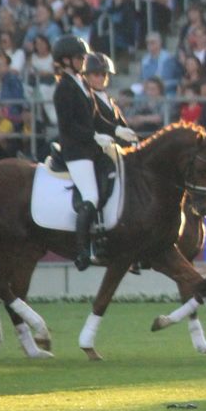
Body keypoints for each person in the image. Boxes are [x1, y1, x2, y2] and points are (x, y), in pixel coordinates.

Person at [53, 37, 137, 270]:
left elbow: (96, 118)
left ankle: (107, 238)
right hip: (76, 152)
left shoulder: (82, 84)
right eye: (79, 57)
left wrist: (117, 129)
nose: (83, 61)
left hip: (91, 149)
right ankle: (82, 250)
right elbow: (68, 126)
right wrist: (93, 137)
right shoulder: (64, 88)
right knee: (90, 196)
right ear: (66, 60)